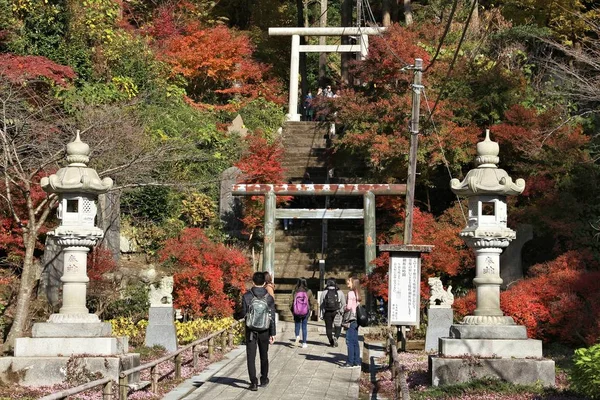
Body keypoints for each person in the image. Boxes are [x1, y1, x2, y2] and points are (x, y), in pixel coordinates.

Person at [241, 272, 276, 391]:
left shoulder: (247, 296)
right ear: (265, 283)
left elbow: (242, 313)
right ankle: (264, 378)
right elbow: (271, 317)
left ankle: (253, 382)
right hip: (264, 330)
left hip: (250, 330)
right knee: (264, 355)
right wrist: (273, 333)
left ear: (253, 282)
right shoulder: (269, 297)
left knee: (251, 356)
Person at [289, 277, 315, 348]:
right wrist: (311, 309)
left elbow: (290, 302)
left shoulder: (295, 291)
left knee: (297, 325)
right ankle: (304, 343)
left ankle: (297, 336)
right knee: (304, 327)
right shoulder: (309, 291)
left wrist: (293, 310)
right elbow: (312, 302)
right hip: (305, 311)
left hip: (296, 311)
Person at [342, 275, 361, 368]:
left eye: (349, 281)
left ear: (353, 282)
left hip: (350, 319)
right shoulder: (357, 293)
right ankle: (357, 361)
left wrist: (343, 307)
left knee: (349, 341)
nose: (347, 282)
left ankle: (350, 362)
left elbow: (349, 307)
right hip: (357, 319)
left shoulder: (350, 293)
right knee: (355, 341)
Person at [320, 278, 346, 347]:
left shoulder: (324, 292)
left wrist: (321, 314)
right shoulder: (339, 292)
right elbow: (344, 304)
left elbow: (321, 304)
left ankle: (331, 342)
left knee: (328, 328)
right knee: (338, 326)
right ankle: (336, 337)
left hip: (327, 312)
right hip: (337, 311)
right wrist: (341, 311)